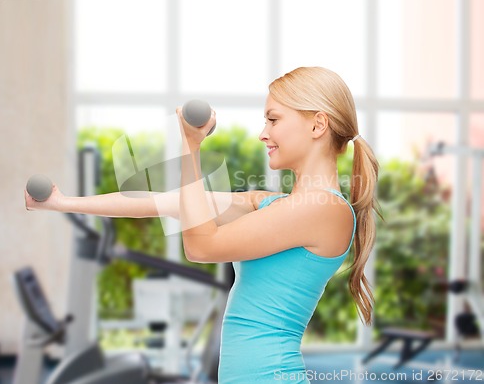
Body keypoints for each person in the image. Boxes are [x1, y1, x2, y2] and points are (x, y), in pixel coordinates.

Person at [25, 66, 381, 384]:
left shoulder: (323, 209)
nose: (262, 133)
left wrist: (190, 148)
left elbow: (201, 246)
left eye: (273, 120)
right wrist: (62, 202)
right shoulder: (273, 204)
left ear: (318, 124)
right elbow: (161, 202)